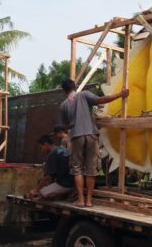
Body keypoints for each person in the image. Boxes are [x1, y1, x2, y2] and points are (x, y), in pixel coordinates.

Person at [60, 78, 129, 207]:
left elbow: (66, 126)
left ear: (64, 91)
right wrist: (120, 95)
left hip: (76, 136)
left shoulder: (63, 105)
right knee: (91, 168)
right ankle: (89, 201)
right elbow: (101, 100)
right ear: (75, 87)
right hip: (91, 135)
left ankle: (80, 200)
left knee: (77, 169)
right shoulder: (84, 95)